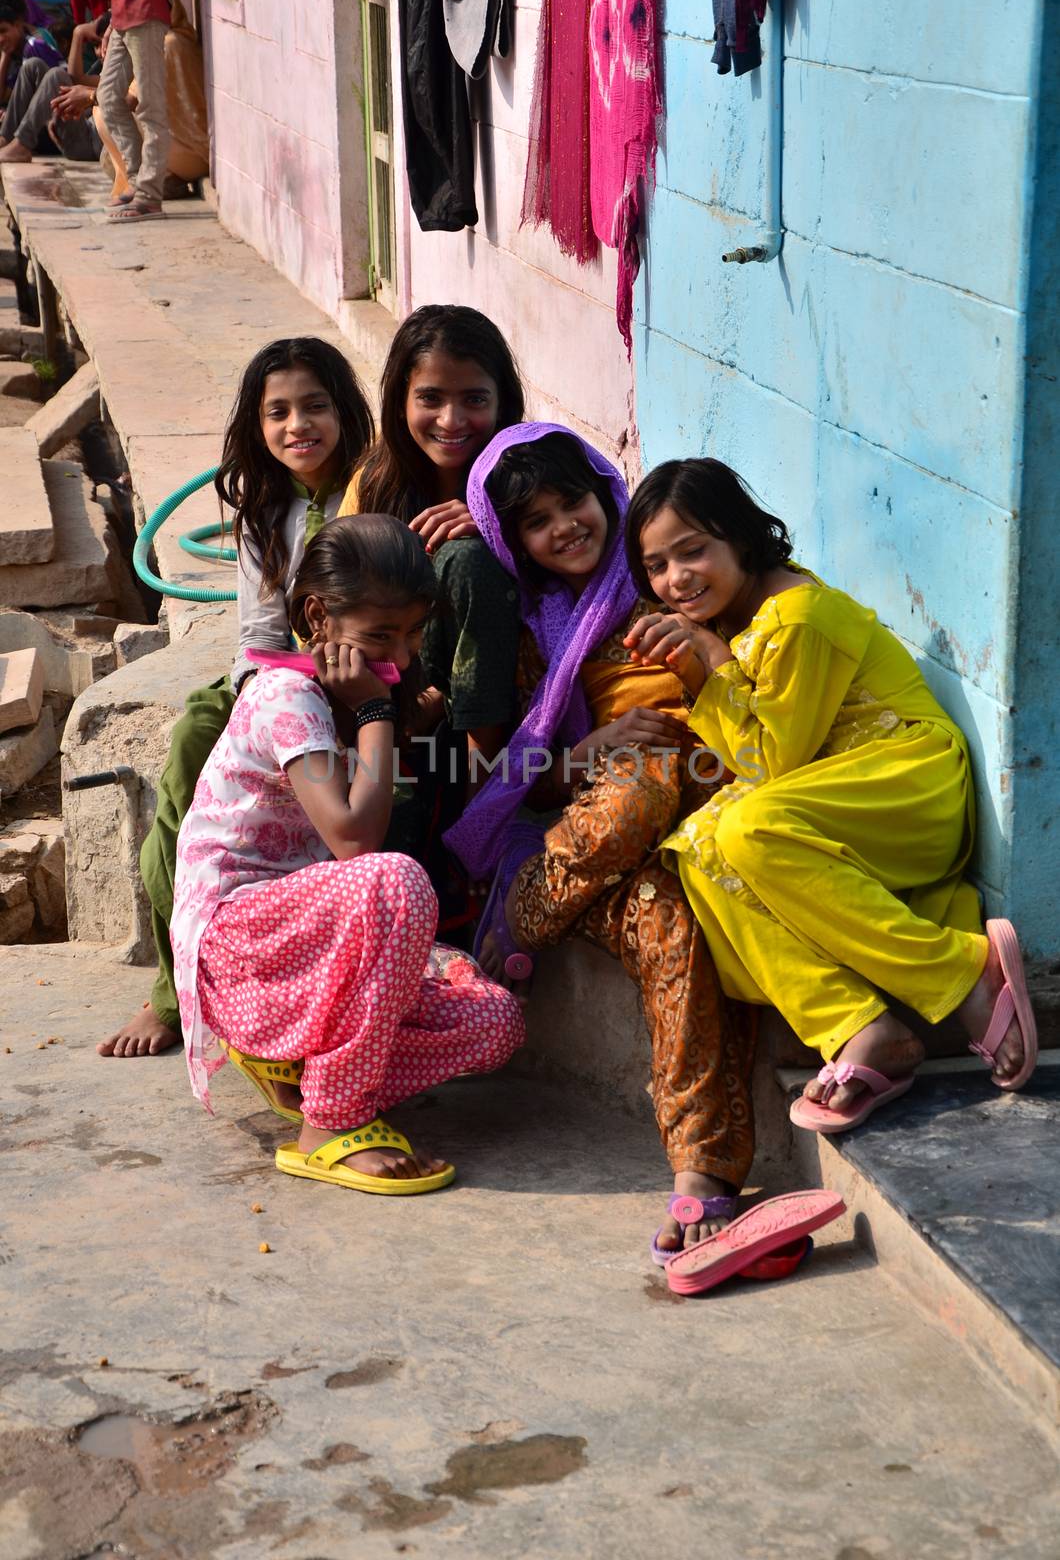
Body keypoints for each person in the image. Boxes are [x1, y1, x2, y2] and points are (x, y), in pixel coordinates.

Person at [624, 457, 1038, 1133]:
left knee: (747, 829)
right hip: (839, 800)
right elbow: (760, 764)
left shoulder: (797, 618)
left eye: (693, 551)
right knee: (697, 851)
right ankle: (858, 1026)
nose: (677, 579)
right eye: (657, 566)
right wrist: (708, 665)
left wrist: (714, 665)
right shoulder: (740, 617)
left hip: (907, 790)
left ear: (741, 537)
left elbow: (769, 763)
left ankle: (965, 974)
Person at [445, 424, 758, 1259]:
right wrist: (580, 753)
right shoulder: (529, 631)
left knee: (676, 884)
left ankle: (704, 1173)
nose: (563, 527)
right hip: (590, 834)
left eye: (572, 502)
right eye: (536, 522)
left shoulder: (671, 579)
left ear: (605, 494)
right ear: (514, 544)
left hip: (715, 807)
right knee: (664, 892)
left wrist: (702, 658)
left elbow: (765, 685)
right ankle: (528, 902)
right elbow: (509, 780)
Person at [171, 515, 524, 1194]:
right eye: (380, 636)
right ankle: (329, 1120)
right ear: (317, 617)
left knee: (493, 1019)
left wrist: (383, 710)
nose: (401, 653)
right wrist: (376, 714)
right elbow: (356, 839)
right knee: (396, 880)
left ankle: (304, 1066)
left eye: (414, 633)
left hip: (305, 945)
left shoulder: (355, 690)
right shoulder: (287, 694)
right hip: (242, 946)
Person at [97, 337, 374, 1060]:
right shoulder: (262, 510)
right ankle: (172, 988)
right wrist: (266, 710)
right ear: (258, 427)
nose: (297, 426)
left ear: (343, 410)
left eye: (314, 406)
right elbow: (257, 635)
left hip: (363, 678)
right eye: (277, 412)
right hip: (276, 679)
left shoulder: (371, 491)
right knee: (192, 756)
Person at [339, 306, 526, 793]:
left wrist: (497, 528)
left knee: (468, 561)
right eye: (431, 398)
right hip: (390, 689)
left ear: (502, 402)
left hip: (497, 704)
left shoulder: (527, 480)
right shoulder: (377, 483)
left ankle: (481, 799)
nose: (452, 419)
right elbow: (331, 592)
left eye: (474, 399)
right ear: (400, 401)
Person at [95, 0, 170, 222]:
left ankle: (149, 197)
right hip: (122, 13)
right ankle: (138, 179)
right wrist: (112, 20)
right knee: (107, 97)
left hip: (145, 12)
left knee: (151, 108)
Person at [0, 12, 103, 164]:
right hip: (70, 126)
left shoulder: (123, 73)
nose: (101, 51)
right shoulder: (101, 68)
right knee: (32, 66)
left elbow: (74, 78)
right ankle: (6, 139)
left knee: (56, 75)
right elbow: (76, 79)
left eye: (104, 44)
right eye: (96, 45)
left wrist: (78, 33)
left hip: (88, 140)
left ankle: (22, 144)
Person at [0, 0, 64, 115]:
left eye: (3, 30)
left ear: (18, 22)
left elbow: (50, 95)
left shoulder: (34, 46)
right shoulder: (14, 49)